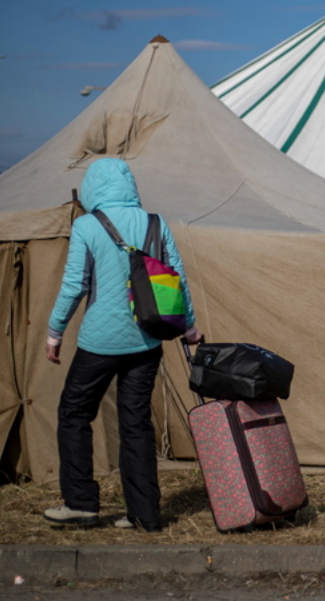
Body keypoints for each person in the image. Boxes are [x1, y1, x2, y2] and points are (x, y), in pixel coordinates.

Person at [42, 158, 201, 532]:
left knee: (75, 414)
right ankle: (144, 515)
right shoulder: (156, 224)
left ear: (91, 188)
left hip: (98, 343)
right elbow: (177, 279)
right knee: (136, 423)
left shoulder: (86, 226)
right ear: (130, 185)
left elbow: (75, 286)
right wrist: (190, 327)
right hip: (146, 341)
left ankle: (81, 504)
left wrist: (55, 331)